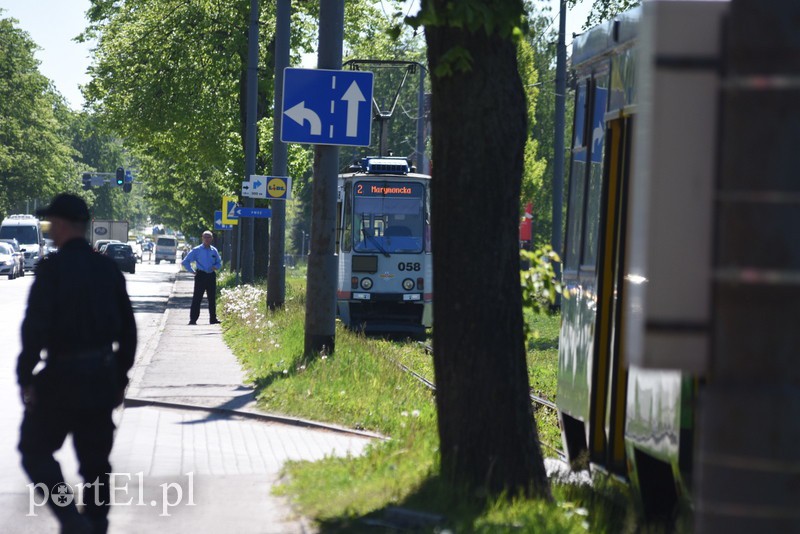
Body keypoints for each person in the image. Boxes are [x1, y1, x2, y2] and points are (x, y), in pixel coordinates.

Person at [17, 193, 137, 534]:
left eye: (51, 223)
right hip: (100, 377)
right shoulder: (107, 269)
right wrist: (119, 379)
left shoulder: (51, 270)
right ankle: (95, 526)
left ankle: (71, 518)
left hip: (60, 378)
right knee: (96, 465)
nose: (49, 229)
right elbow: (129, 332)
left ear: (63, 224)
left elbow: (33, 330)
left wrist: (26, 378)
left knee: (34, 451)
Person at [182, 230, 222, 325]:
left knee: (212, 298)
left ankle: (213, 318)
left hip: (211, 275)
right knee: (197, 298)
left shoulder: (214, 250)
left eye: (209, 237)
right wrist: (192, 271)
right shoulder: (197, 250)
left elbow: (219, 262)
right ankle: (193, 319)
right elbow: (185, 261)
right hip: (201, 275)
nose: (207, 239)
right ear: (202, 238)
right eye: (205, 237)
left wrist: (216, 266)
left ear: (212, 239)